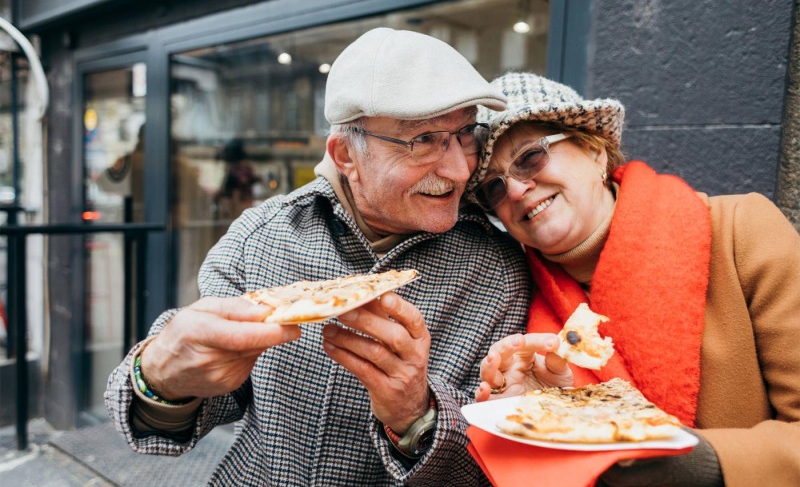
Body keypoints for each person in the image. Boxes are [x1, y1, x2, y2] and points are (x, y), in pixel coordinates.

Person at [105, 29, 565, 485]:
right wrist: (160, 380)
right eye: (423, 140)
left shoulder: (500, 272)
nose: (460, 168)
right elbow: (197, 409)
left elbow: (495, 463)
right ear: (345, 154)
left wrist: (416, 415)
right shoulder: (261, 237)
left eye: (465, 133)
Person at [465, 72, 800, 486]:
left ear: (594, 150)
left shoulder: (742, 232)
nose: (515, 190)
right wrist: (525, 423)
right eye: (493, 188)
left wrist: (704, 464)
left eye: (530, 157)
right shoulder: (514, 298)